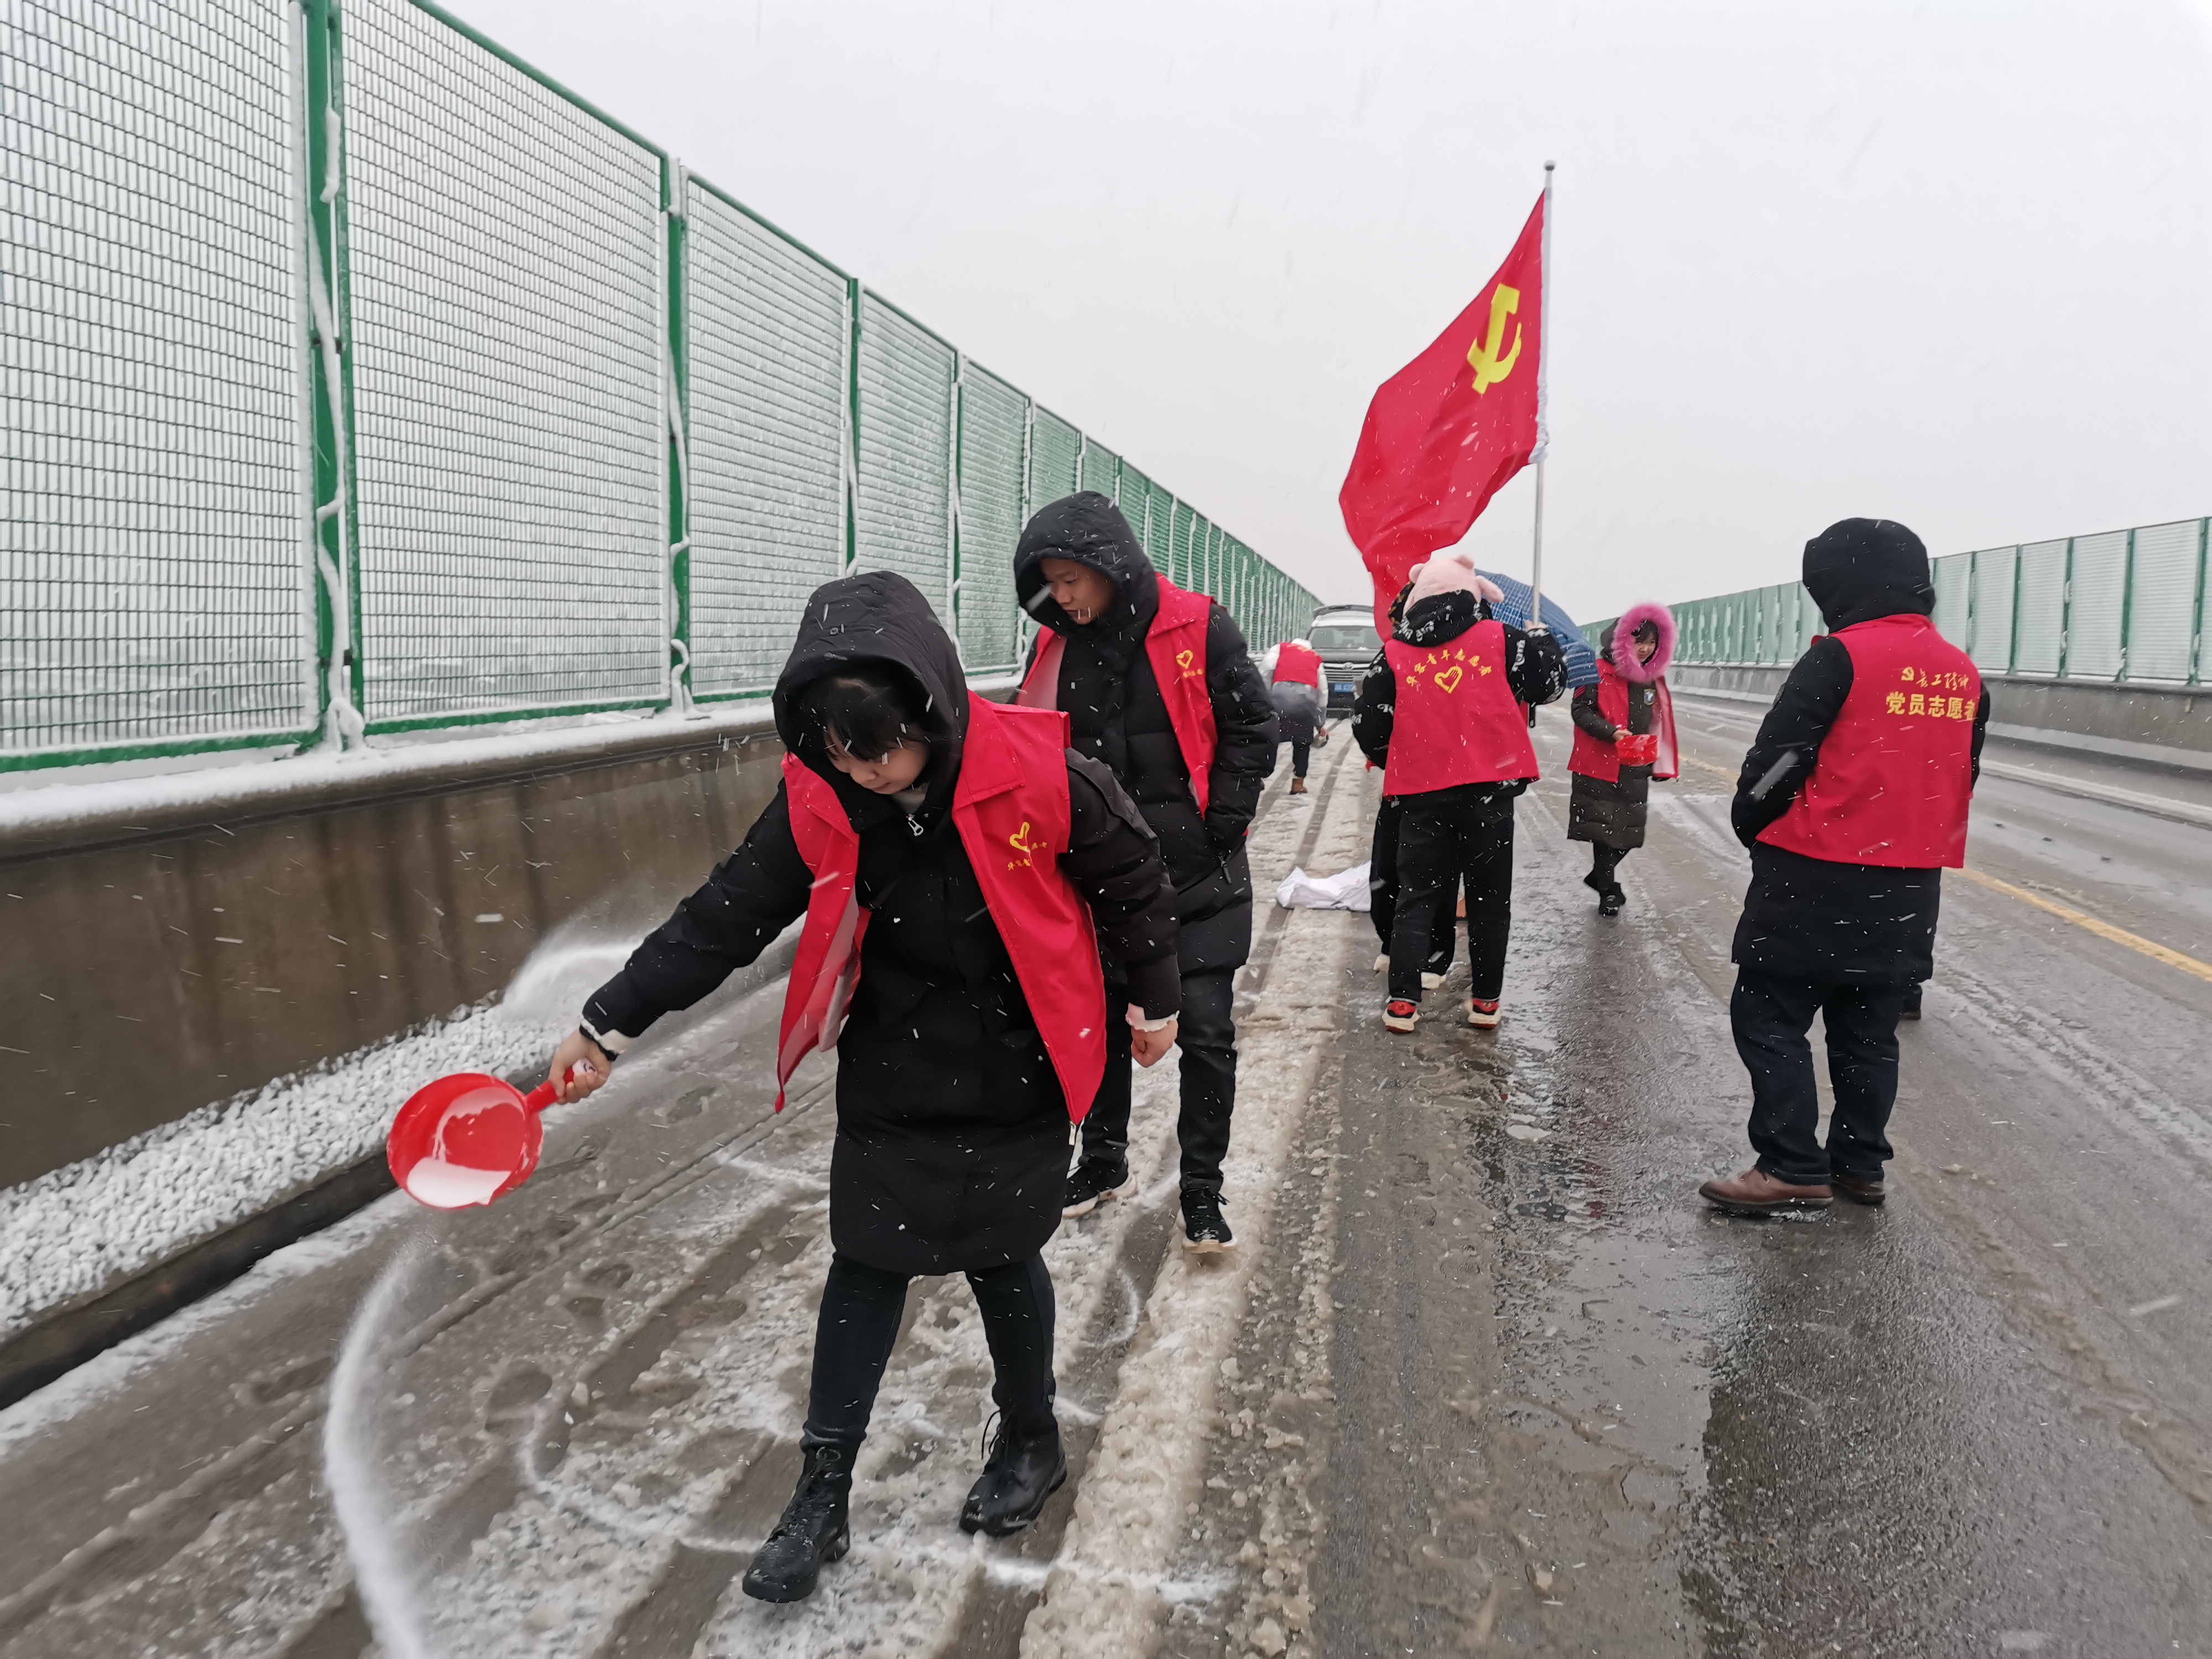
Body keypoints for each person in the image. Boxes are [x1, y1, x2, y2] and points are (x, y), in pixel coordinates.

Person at [541, 571, 1182, 1601]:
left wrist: (1155, 1002)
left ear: (928, 707)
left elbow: (1137, 879)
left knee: (1004, 1258)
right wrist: (606, 1024)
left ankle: (1030, 1440)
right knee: (866, 1263)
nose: (859, 770)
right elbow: (723, 918)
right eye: (834, 749)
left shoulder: (1044, 772)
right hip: (897, 1060)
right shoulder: (820, 796)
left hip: (1022, 1054)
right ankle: (821, 1493)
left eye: (875, 746)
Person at [1699, 519, 1989, 1216]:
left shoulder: (1840, 657)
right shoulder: (1962, 672)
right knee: (1867, 1030)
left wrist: (1751, 821)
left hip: (1814, 871)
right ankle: (1859, 1165)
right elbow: (1962, 775)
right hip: (1910, 884)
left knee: (1767, 1013)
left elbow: (1779, 762)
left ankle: (1791, 1164)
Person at [1014, 492, 1277, 1250]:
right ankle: (1102, 1162)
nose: (1062, 597)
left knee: (1205, 1031)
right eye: (1050, 583)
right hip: (1101, 880)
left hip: (1199, 874)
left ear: (1109, 566)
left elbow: (1252, 724)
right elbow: (1032, 743)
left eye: (1073, 580)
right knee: (1098, 1027)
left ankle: (1202, 1191)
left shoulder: (1198, 623)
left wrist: (1221, 822)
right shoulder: (1054, 647)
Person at [1360, 551, 1566, 1032]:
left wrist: (1406, 760)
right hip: (1488, 791)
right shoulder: (1502, 639)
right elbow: (1548, 687)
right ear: (1473, 594)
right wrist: (1540, 642)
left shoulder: (1393, 653)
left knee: (1417, 894)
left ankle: (1403, 1004)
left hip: (1420, 794)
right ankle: (1486, 1002)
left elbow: (1368, 725)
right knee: (1490, 899)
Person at [1353, 581, 1455, 986]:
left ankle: (1423, 954)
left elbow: (1370, 721)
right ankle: (1409, 949)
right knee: (1413, 871)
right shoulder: (1400, 653)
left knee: (1407, 871)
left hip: (1424, 783)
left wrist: (1393, 756)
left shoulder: (1433, 655)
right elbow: (1372, 720)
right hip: (1420, 782)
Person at [1566, 603, 1679, 916]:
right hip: (1597, 764)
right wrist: (1611, 732)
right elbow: (1580, 711)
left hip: (1634, 764)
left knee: (1629, 833)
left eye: (1652, 642)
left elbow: (1659, 720)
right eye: (1638, 640)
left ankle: (1599, 877)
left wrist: (1659, 761)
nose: (1645, 649)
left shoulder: (1649, 677)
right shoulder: (1594, 670)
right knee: (1604, 834)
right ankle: (1608, 892)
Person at [1269, 638, 1329, 795]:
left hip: (1279, 704)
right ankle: (1298, 784)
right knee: (1302, 745)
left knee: (1269, 741)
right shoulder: (1315, 659)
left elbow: (1263, 674)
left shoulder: (1279, 650)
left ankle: (1259, 779)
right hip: (1305, 707)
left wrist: (1262, 703)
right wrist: (1320, 723)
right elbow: (1323, 692)